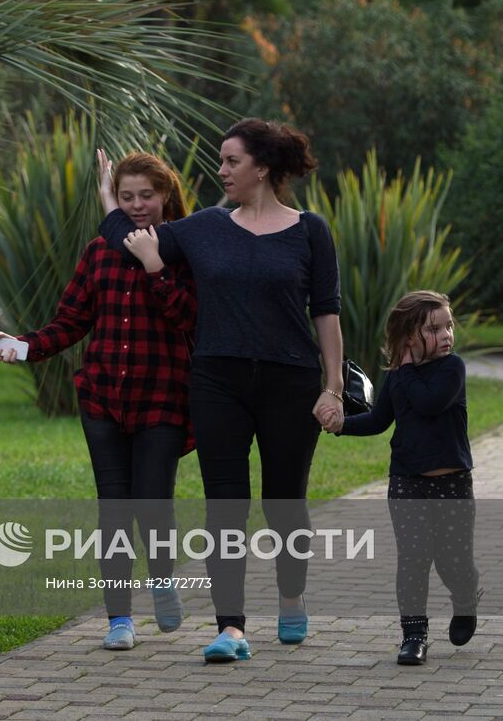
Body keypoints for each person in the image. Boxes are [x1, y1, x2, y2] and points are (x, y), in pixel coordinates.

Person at [97, 118, 344, 663]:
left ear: (263, 167)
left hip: (290, 382)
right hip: (216, 381)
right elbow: (130, 242)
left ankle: (291, 596)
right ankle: (230, 628)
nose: (222, 170)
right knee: (225, 508)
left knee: (284, 505)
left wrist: (332, 388)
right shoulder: (205, 226)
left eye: (232, 161)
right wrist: (110, 202)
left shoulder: (311, 231)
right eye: (221, 160)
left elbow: (326, 313)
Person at [0, 152, 196, 652]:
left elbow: (190, 318)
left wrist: (154, 268)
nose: (138, 205)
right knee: (114, 511)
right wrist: (24, 346)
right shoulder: (98, 252)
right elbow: (71, 321)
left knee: (153, 504)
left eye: (146, 195)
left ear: (166, 194)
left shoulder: (186, 248)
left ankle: (163, 581)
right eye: (126, 196)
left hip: (161, 399)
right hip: (103, 399)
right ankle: (119, 619)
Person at [317, 290, 480, 666]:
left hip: (452, 483)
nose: (446, 335)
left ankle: (465, 596)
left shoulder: (452, 369)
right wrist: (341, 425)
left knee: (451, 561)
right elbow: (378, 420)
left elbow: (428, 402)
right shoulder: (399, 378)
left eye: (448, 326)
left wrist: (404, 369)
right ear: (409, 336)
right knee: (413, 558)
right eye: (434, 329)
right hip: (407, 482)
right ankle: (414, 635)